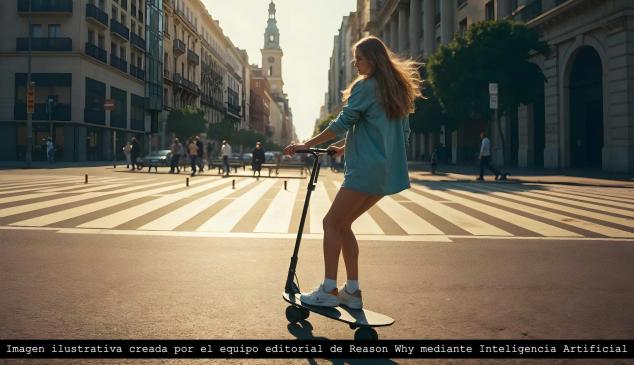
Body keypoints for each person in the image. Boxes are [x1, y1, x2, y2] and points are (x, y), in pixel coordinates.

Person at [283, 36, 421, 309]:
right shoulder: (396, 90)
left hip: (365, 170)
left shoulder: (366, 87)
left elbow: (343, 122)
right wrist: (344, 148)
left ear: (372, 58)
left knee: (330, 223)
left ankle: (329, 289)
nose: (355, 63)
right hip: (385, 172)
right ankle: (353, 291)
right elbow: (394, 133)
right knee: (343, 225)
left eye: (359, 58)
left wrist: (305, 145)